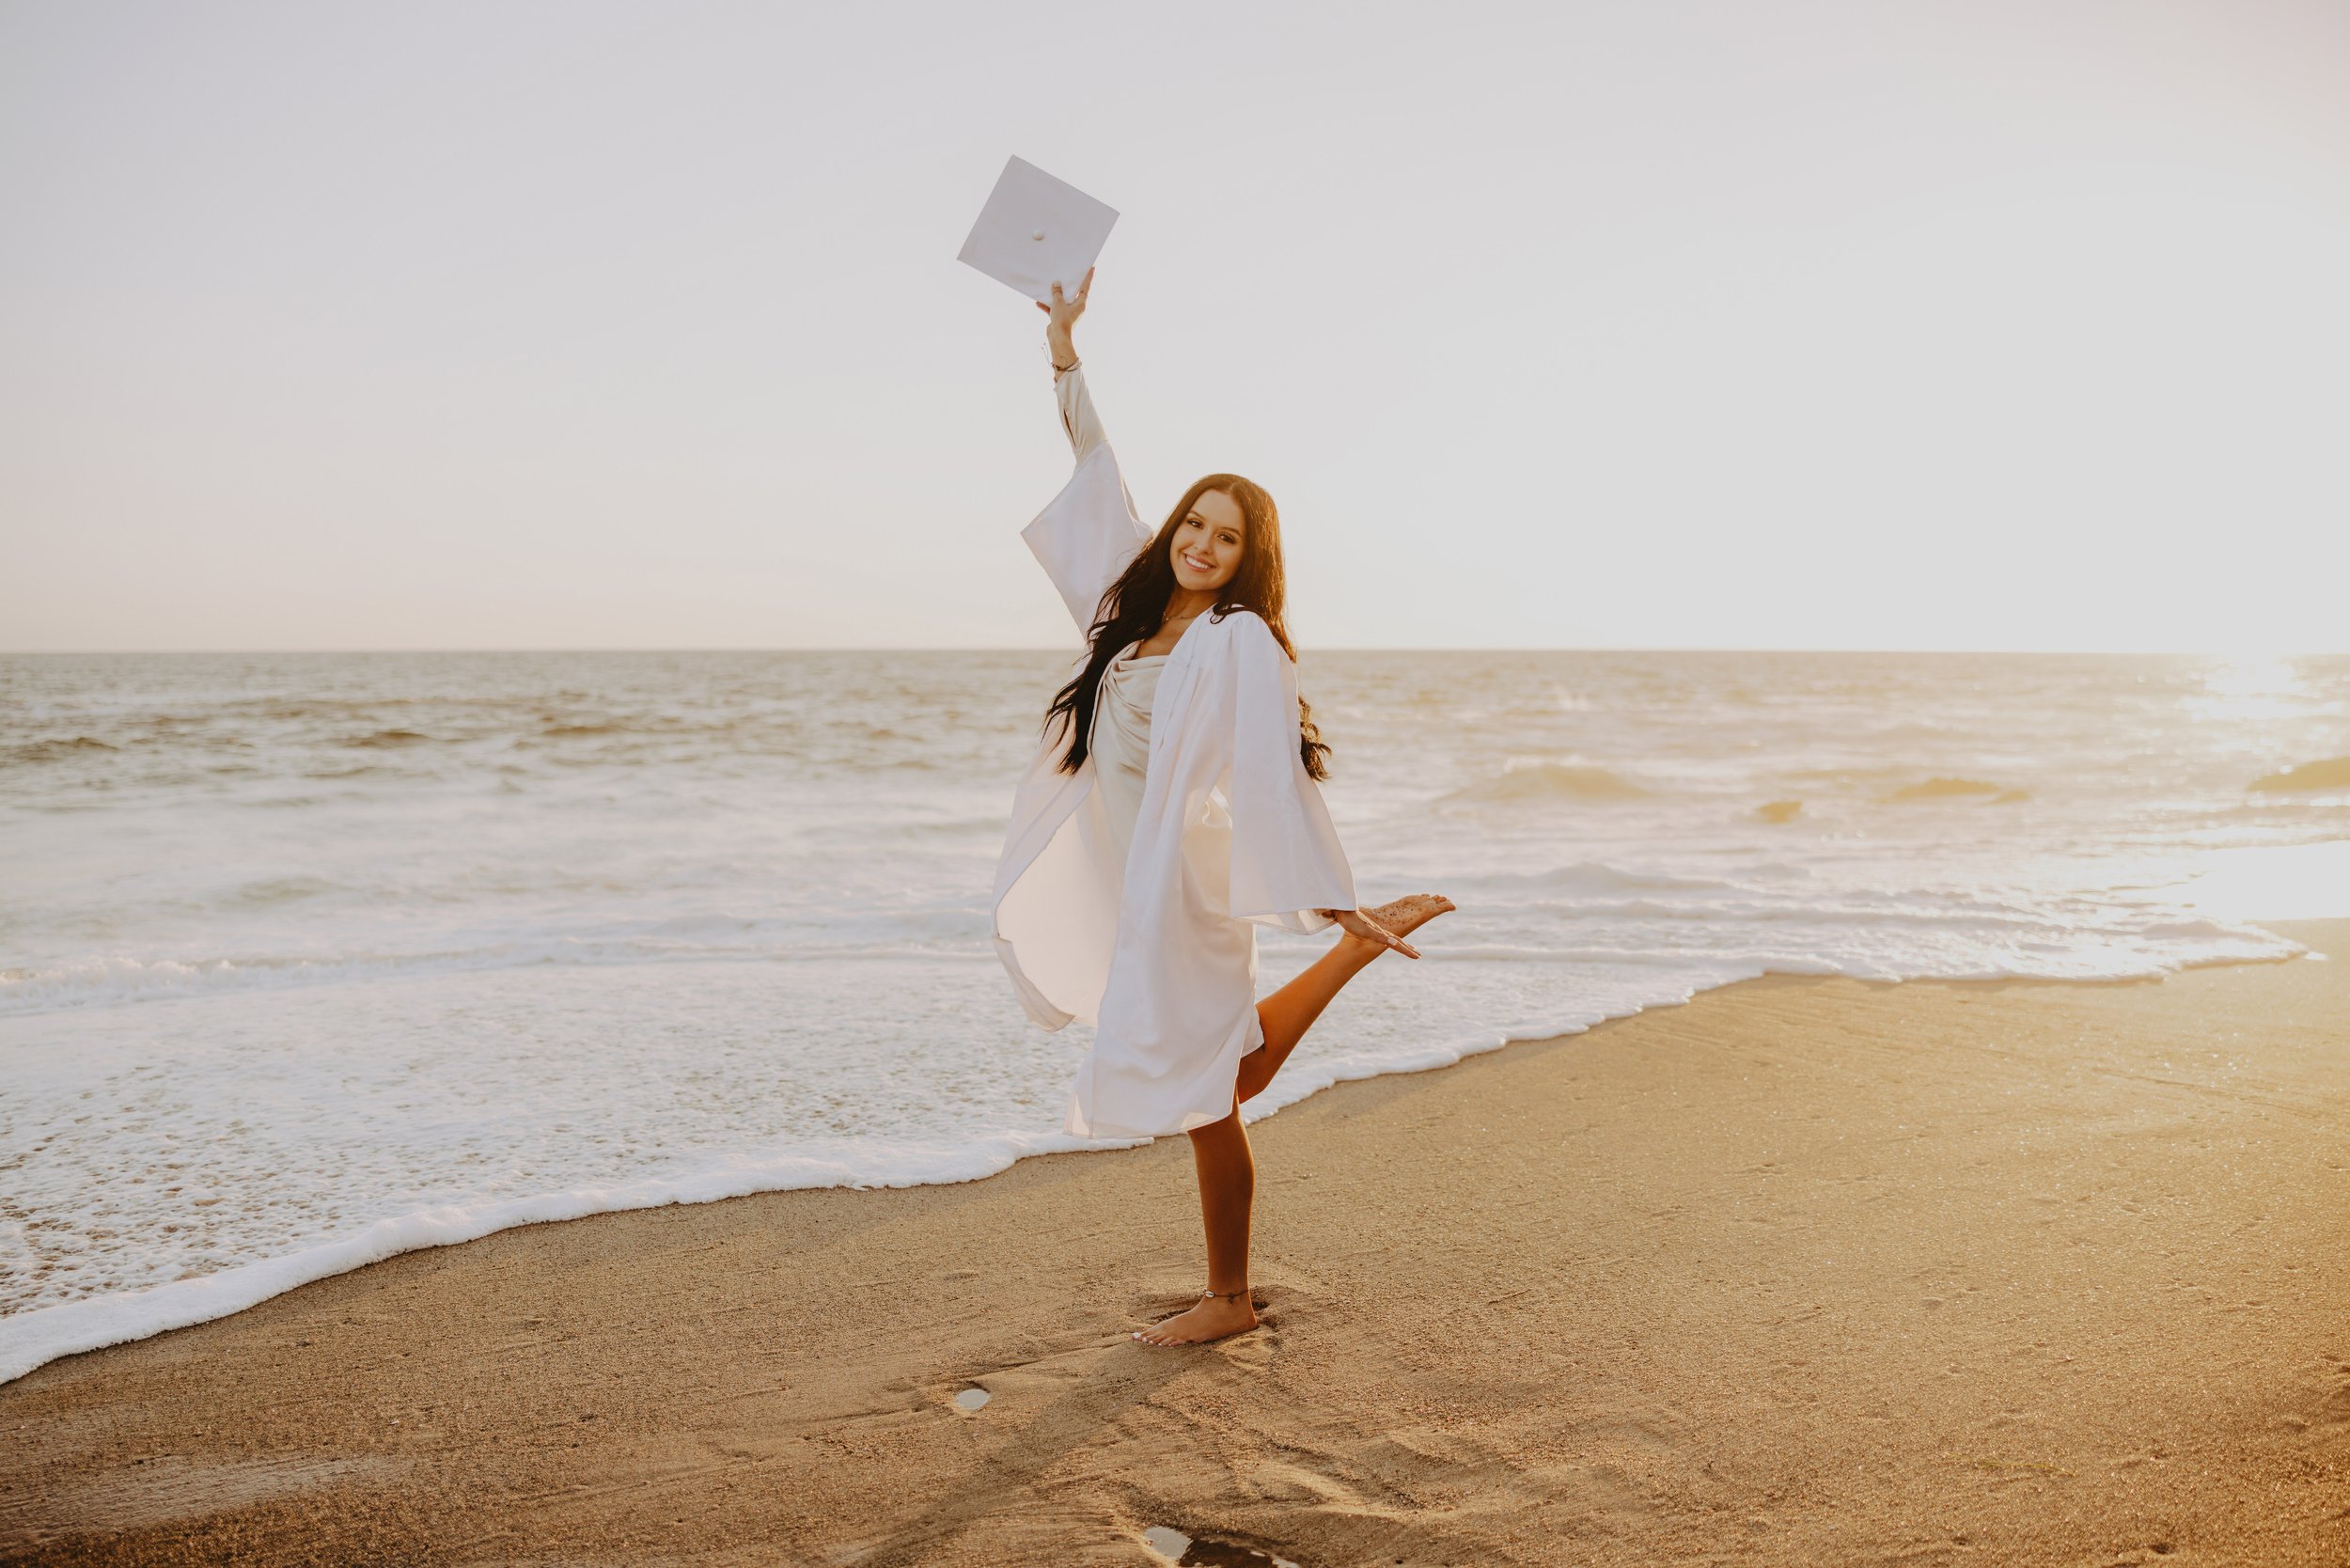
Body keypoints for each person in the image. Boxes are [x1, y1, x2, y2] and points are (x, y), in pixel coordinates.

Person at [990, 266, 1454, 1346]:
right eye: (1194, 524)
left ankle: (1230, 1301)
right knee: (1214, 1075)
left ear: (1251, 562)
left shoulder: (1229, 641)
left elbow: (1264, 773)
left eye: (1226, 538)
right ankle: (1228, 1291)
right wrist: (1063, 348)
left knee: (1212, 1085)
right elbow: (1093, 469)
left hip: (1185, 883)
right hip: (1133, 875)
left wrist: (1329, 902)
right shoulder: (1129, 603)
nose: (1201, 543)